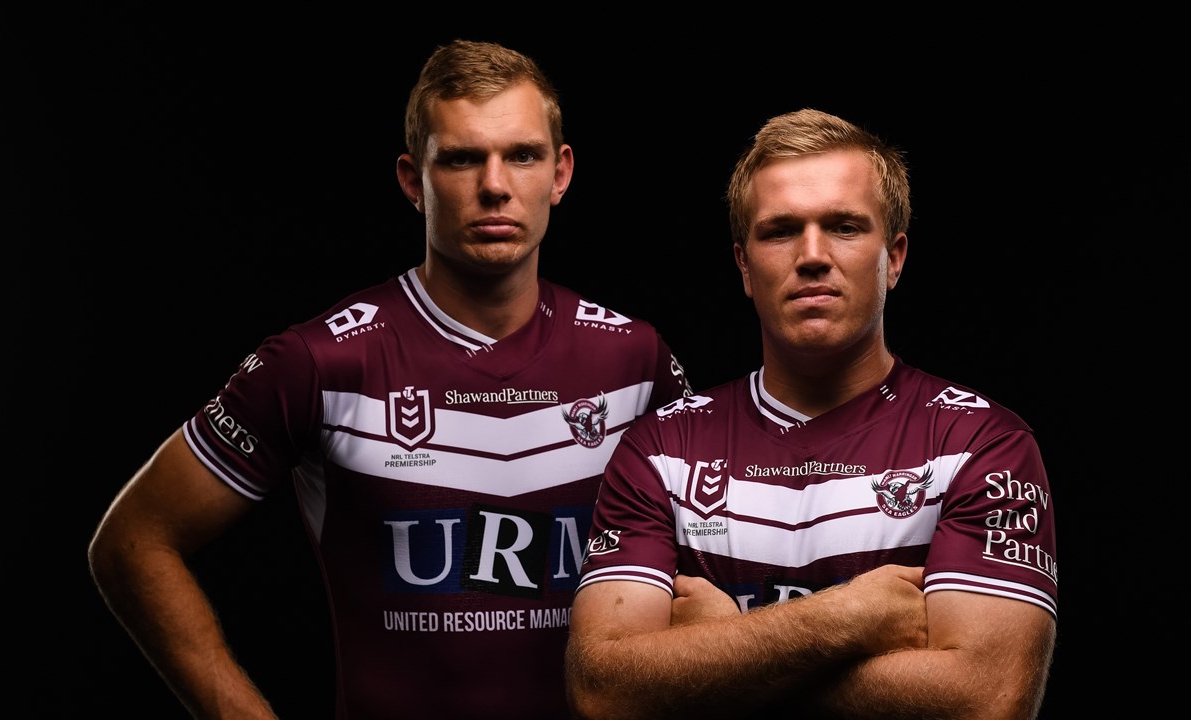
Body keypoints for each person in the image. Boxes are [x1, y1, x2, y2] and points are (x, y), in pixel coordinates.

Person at [87, 39, 692, 720]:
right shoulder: (320, 362)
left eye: (522, 155)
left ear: (561, 173)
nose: (495, 185)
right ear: (413, 180)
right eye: (461, 158)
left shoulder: (634, 360)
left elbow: (716, 564)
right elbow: (134, 543)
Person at [565, 108, 1058, 719]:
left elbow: (986, 699)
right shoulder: (662, 449)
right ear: (744, 265)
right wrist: (849, 618)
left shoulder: (982, 444)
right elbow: (605, 691)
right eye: (780, 231)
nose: (813, 255)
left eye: (845, 227)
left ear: (894, 258)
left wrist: (717, 652)